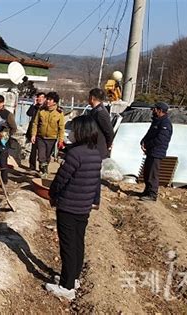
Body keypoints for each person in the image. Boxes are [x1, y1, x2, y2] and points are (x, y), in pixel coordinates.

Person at [46, 115, 102, 301]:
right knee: (78, 242)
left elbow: (62, 179)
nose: (71, 133)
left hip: (68, 206)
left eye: (74, 129)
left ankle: (67, 286)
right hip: (83, 207)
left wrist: (52, 194)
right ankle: (73, 277)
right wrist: (95, 200)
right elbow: (96, 182)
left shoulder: (75, 154)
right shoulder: (95, 153)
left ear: (82, 132)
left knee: (68, 246)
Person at [140, 102, 173, 201]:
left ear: (160, 110)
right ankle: (147, 191)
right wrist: (143, 142)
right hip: (150, 151)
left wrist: (148, 145)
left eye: (154, 109)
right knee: (147, 173)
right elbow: (149, 133)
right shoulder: (156, 121)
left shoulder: (165, 123)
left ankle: (152, 194)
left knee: (152, 174)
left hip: (156, 152)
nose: (153, 111)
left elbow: (161, 139)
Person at [88, 88, 114, 209]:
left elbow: (109, 131)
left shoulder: (101, 113)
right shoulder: (95, 111)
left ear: (92, 98)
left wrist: (109, 144)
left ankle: (95, 200)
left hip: (98, 148)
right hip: (93, 146)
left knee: (94, 175)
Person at [31, 91, 65, 178]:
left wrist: (61, 140)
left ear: (54, 102)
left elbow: (61, 128)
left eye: (50, 100)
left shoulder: (59, 113)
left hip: (52, 138)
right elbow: (35, 123)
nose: (48, 101)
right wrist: (33, 135)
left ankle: (44, 170)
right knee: (41, 156)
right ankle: (43, 171)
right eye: (47, 99)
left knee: (47, 157)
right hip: (41, 137)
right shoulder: (41, 110)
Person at [0, 94, 17, 185]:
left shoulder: (8, 114)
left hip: (4, 141)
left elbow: (13, 128)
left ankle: (4, 181)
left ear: (2, 103)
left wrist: (6, 135)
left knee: (2, 162)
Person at [26, 92, 46, 171]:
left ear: (44, 99)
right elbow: (28, 113)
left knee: (42, 151)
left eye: (42, 97)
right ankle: (32, 166)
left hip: (42, 132)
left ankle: (42, 168)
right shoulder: (35, 107)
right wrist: (33, 104)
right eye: (38, 97)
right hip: (33, 131)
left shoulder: (45, 108)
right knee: (33, 150)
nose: (40, 99)